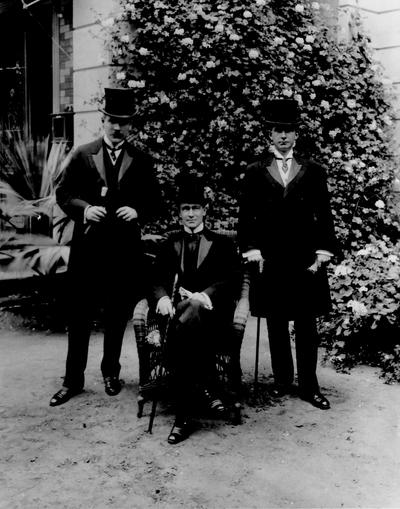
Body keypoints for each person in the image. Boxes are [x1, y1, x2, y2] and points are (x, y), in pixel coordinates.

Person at [50, 87, 161, 406]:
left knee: (116, 313)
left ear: (130, 125)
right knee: (79, 314)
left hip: (123, 251)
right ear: (103, 120)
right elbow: (63, 194)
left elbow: (156, 201)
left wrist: (139, 210)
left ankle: (111, 372)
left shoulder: (142, 160)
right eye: (112, 120)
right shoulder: (83, 153)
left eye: (123, 122)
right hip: (88, 249)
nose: (116, 127)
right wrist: (84, 209)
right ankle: (72, 380)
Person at [238, 99, 338, 410]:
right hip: (272, 259)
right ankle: (283, 379)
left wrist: (324, 249)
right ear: (269, 134)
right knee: (277, 321)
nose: (283, 136)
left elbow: (325, 214)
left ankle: (309, 385)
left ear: (296, 134)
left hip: (305, 258)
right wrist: (251, 248)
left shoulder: (313, 171)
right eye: (277, 130)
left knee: (307, 323)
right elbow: (246, 216)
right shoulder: (255, 171)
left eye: (288, 130)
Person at [150, 175, 239, 443]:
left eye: (195, 208)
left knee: (195, 308)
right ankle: (205, 387)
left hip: (212, 319)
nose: (190, 214)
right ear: (179, 213)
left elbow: (231, 280)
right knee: (188, 313)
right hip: (175, 317)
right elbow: (155, 279)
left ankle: (183, 416)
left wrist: (205, 294)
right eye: (185, 209)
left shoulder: (222, 244)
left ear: (204, 211)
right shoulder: (169, 243)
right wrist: (163, 297)